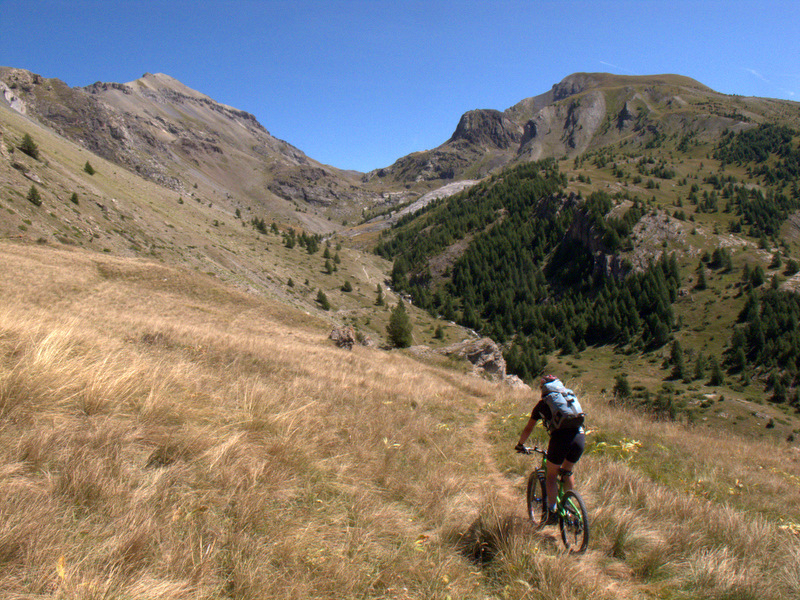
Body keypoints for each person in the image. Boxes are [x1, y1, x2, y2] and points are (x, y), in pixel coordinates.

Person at [515, 375, 585, 525]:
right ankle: (569, 507)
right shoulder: (569, 397)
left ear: (543, 389)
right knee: (567, 471)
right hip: (579, 437)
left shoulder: (542, 405)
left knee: (551, 476)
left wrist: (520, 444)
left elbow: (528, 428)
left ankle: (551, 513)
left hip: (561, 439)